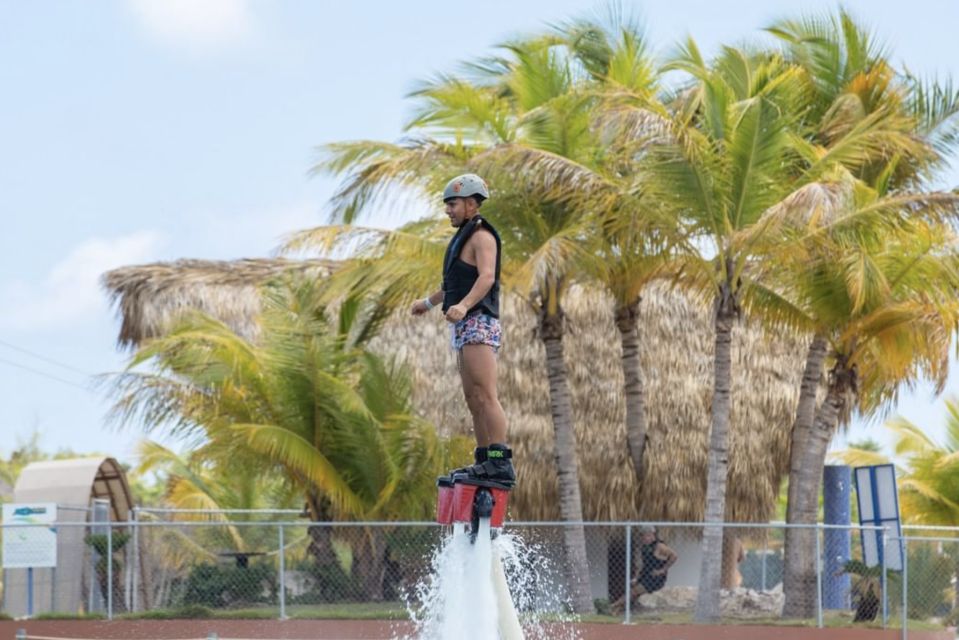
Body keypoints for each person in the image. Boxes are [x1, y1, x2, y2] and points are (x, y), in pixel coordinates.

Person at [410, 173, 515, 486]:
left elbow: (486, 278)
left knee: (486, 393)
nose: (448, 210)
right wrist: (428, 304)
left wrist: (465, 306)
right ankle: (483, 460)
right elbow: (452, 286)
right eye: (446, 205)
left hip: (479, 320)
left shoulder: (482, 236)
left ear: (471, 203)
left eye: (453, 204)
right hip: (464, 323)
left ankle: (499, 461)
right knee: (473, 398)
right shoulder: (463, 238)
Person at [611, 525, 678, 613]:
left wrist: (663, 570)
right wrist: (636, 577)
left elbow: (674, 556)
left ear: (651, 535)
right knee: (631, 589)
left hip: (655, 578)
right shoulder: (645, 547)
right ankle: (616, 611)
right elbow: (643, 565)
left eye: (645, 536)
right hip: (645, 575)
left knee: (633, 592)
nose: (643, 538)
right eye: (642, 536)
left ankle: (612, 606)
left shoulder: (659, 546)